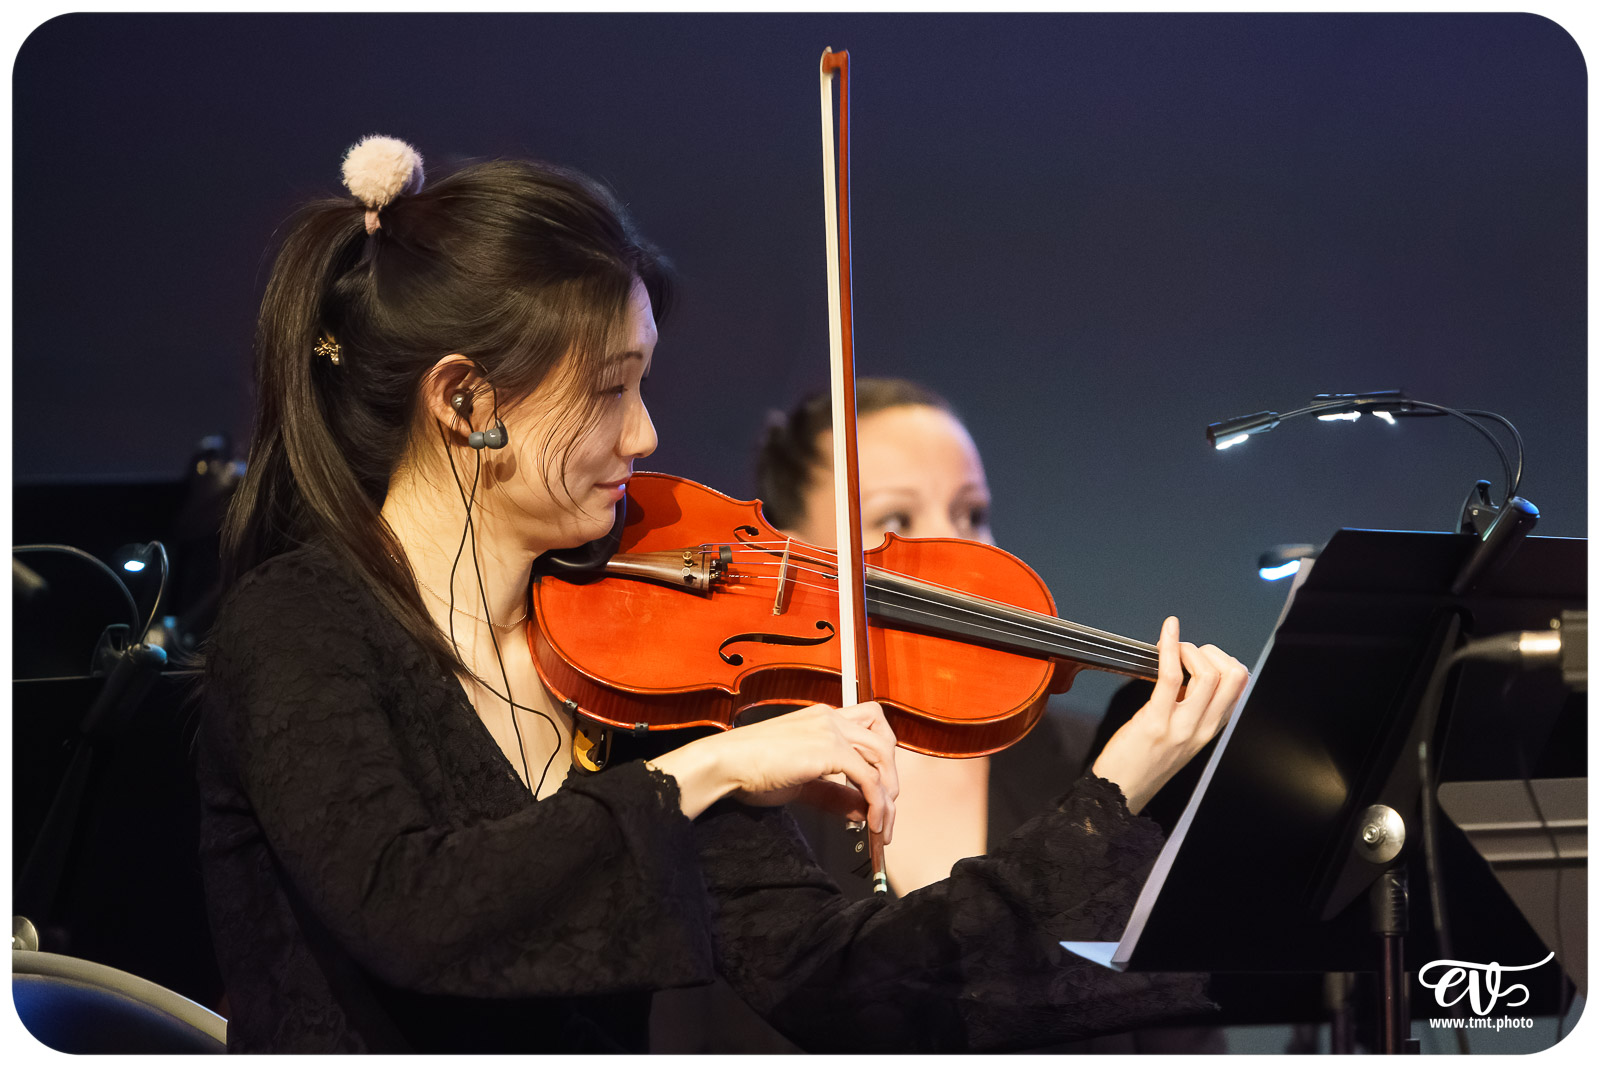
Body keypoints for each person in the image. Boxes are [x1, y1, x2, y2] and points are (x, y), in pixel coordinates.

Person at [196, 135, 1249, 1053]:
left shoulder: (629, 666)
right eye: (609, 388)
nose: (647, 434)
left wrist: (1111, 795)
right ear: (466, 400)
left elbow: (847, 985)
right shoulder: (298, 624)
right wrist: (711, 766)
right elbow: (416, 909)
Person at [651, 381, 1225, 1053]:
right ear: (790, 551)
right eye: (892, 518)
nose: (957, 552)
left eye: (972, 512)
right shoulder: (744, 784)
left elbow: (1172, 1034)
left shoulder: (1082, 759)